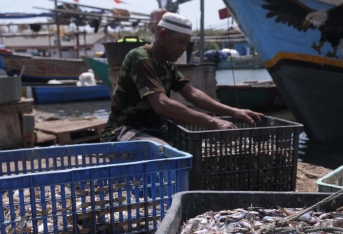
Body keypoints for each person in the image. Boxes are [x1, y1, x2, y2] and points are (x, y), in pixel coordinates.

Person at [101, 12, 263, 145]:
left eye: (187, 43)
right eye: (180, 41)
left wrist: (235, 111)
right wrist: (213, 122)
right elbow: (162, 105)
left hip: (155, 131)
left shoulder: (167, 64)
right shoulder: (141, 58)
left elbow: (193, 94)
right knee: (165, 153)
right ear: (163, 34)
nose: (184, 48)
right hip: (123, 132)